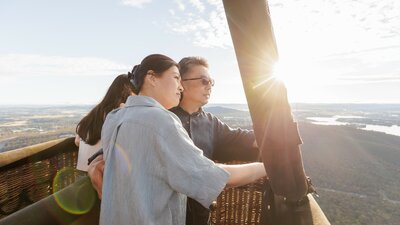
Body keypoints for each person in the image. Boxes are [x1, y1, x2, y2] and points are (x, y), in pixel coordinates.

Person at [88, 56, 260, 224]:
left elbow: (244, 139)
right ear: (152, 78)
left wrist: (279, 138)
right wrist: (264, 167)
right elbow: (211, 177)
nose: (209, 86)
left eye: (211, 81)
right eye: (203, 81)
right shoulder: (164, 119)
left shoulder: (115, 116)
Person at [74, 74, 134, 171]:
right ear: (130, 92)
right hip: (100, 177)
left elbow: (77, 141)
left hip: (81, 174)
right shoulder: (121, 113)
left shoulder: (95, 113)